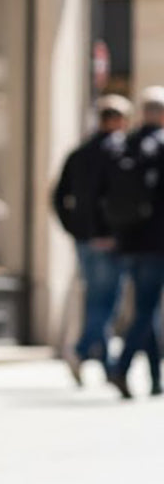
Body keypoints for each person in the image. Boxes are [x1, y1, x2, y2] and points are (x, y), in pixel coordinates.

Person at [51, 94, 132, 383]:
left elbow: (59, 198)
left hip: (85, 238)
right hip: (108, 239)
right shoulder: (119, 151)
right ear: (118, 120)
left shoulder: (79, 153)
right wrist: (106, 233)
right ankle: (85, 350)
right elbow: (116, 198)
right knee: (106, 301)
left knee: (96, 299)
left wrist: (76, 229)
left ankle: (93, 354)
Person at [104, 86, 164, 399]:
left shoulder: (125, 143)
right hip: (156, 242)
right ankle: (121, 367)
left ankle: (155, 378)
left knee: (145, 306)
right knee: (145, 309)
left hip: (127, 240)